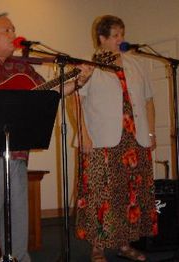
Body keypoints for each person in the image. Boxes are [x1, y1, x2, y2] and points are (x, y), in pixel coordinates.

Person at [0, 12, 91, 262]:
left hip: (16, 152)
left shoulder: (23, 67)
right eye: (7, 30)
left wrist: (78, 80)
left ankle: (19, 258)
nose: (13, 34)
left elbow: (52, 93)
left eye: (13, 29)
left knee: (16, 215)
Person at [75, 15, 158, 262]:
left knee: (130, 192)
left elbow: (148, 100)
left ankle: (124, 244)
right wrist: (83, 134)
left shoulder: (136, 64)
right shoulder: (90, 66)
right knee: (100, 195)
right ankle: (97, 247)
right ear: (102, 39)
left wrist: (151, 132)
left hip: (135, 139)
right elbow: (75, 101)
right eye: (115, 36)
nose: (121, 39)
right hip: (103, 140)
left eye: (122, 34)